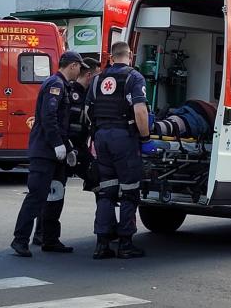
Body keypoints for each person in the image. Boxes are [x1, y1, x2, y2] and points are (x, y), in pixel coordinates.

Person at [10, 51, 89, 257]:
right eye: (79, 66)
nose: (80, 70)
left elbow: (62, 124)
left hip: (56, 154)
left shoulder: (63, 85)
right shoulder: (55, 85)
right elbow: (48, 117)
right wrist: (56, 144)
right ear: (72, 66)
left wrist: (67, 146)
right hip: (45, 152)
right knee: (37, 196)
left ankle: (50, 238)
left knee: (56, 196)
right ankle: (20, 240)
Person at [86, 41, 157, 259]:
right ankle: (125, 244)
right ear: (131, 55)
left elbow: (88, 111)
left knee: (106, 191)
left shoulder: (97, 78)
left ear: (111, 57)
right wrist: (145, 138)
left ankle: (102, 244)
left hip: (101, 137)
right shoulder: (134, 77)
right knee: (129, 191)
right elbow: (140, 111)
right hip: (123, 138)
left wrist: (99, 133)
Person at [31, 57, 100, 246]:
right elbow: (56, 120)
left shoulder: (85, 94)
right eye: (97, 76)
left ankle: (104, 230)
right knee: (52, 191)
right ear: (89, 74)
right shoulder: (68, 91)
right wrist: (62, 146)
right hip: (66, 148)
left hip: (77, 149)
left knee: (96, 182)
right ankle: (42, 234)